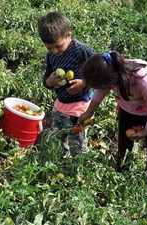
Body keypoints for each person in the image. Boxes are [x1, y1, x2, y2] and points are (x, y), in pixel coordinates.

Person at [78, 50, 147, 200]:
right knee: (124, 151)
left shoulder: (143, 82)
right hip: (129, 108)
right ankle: (123, 187)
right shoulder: (111, 73)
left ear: (112, 80)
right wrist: (88, 113)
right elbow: (100, 91)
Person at [38, 11, 95, 158]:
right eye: (49, 48)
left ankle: (79, 167)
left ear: (68, 35)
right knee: (59, 136)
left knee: (77, 139)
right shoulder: (51, 55)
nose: (54, 51)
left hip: (79, 106)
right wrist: (49, 82)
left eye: (58, 46)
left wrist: (84, 82)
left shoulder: (81, 51)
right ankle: (63, 161)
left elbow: (99, 70)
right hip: (61, 104)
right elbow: (46, 79)